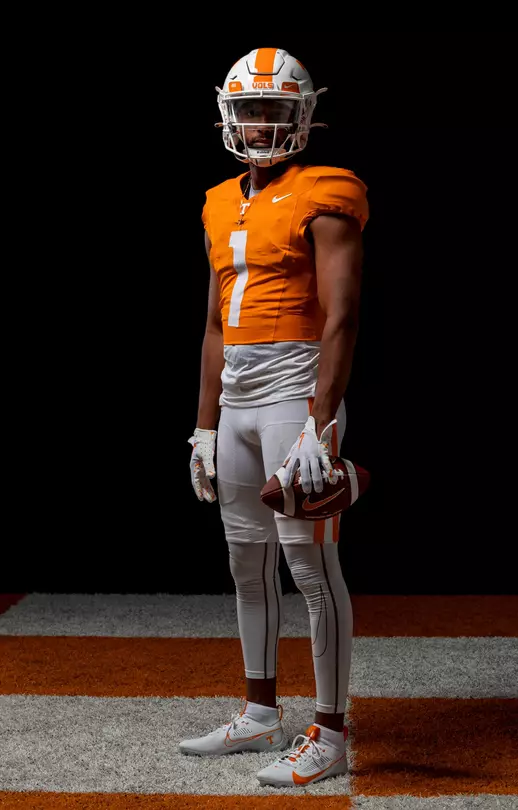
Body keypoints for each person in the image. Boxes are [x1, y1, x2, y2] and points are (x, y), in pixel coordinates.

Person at [181, 47, 369, 788]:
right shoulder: (217, 200)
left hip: (295, 395)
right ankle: (261, 714)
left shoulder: (329, 189)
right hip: (236, 401)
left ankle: (331, 732)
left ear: (303, 115)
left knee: (311, 566)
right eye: (249, 110)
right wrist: (202, 423)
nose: (260, 124)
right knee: (244, 561)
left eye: (274, 111)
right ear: (228, 115)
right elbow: (214, 326)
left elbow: (343, 315)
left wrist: (319, 423)